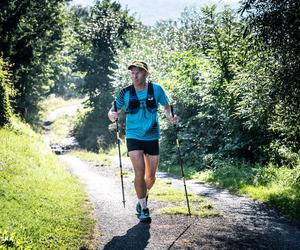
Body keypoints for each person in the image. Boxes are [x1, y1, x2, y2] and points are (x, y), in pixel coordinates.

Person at [108, 60, 176, 223]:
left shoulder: (156, 89)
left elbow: (167, 107)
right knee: (139, 171)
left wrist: (171, 117)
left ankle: (143, 198)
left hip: (152, 136)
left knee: (151, 177)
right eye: (132, 73)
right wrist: (112, 116)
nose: (134, 75)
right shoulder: (125, 93)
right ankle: (144, 208)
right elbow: (112, 111)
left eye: (138, 72)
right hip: (133, 136)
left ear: (146, 73)